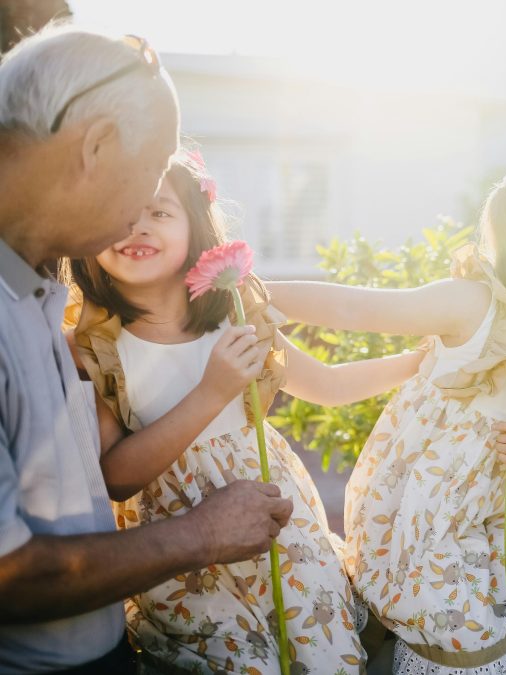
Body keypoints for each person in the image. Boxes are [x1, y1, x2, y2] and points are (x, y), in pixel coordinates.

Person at [0, 25, 292, 674]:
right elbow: (8, 574)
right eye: (152, 173)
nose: (141, 211)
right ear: (96, 146)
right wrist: (202, 533)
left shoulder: (36, 286)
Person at [64, 152, 425, 673]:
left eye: (159, 212)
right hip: (187, 557)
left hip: (279, 531)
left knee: (319, 654)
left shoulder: (235, 317)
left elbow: (326, 384)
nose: (136, 226)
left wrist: (417, 363)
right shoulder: (93, 347)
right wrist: (213, 391)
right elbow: (116, 477)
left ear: (195, 228)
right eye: (119, 211)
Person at [266, 161, 506, 673]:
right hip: (424, 521)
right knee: (470, 622)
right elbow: (357, 310)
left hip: (494, 511)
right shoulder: (478, 305)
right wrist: (258, 293)